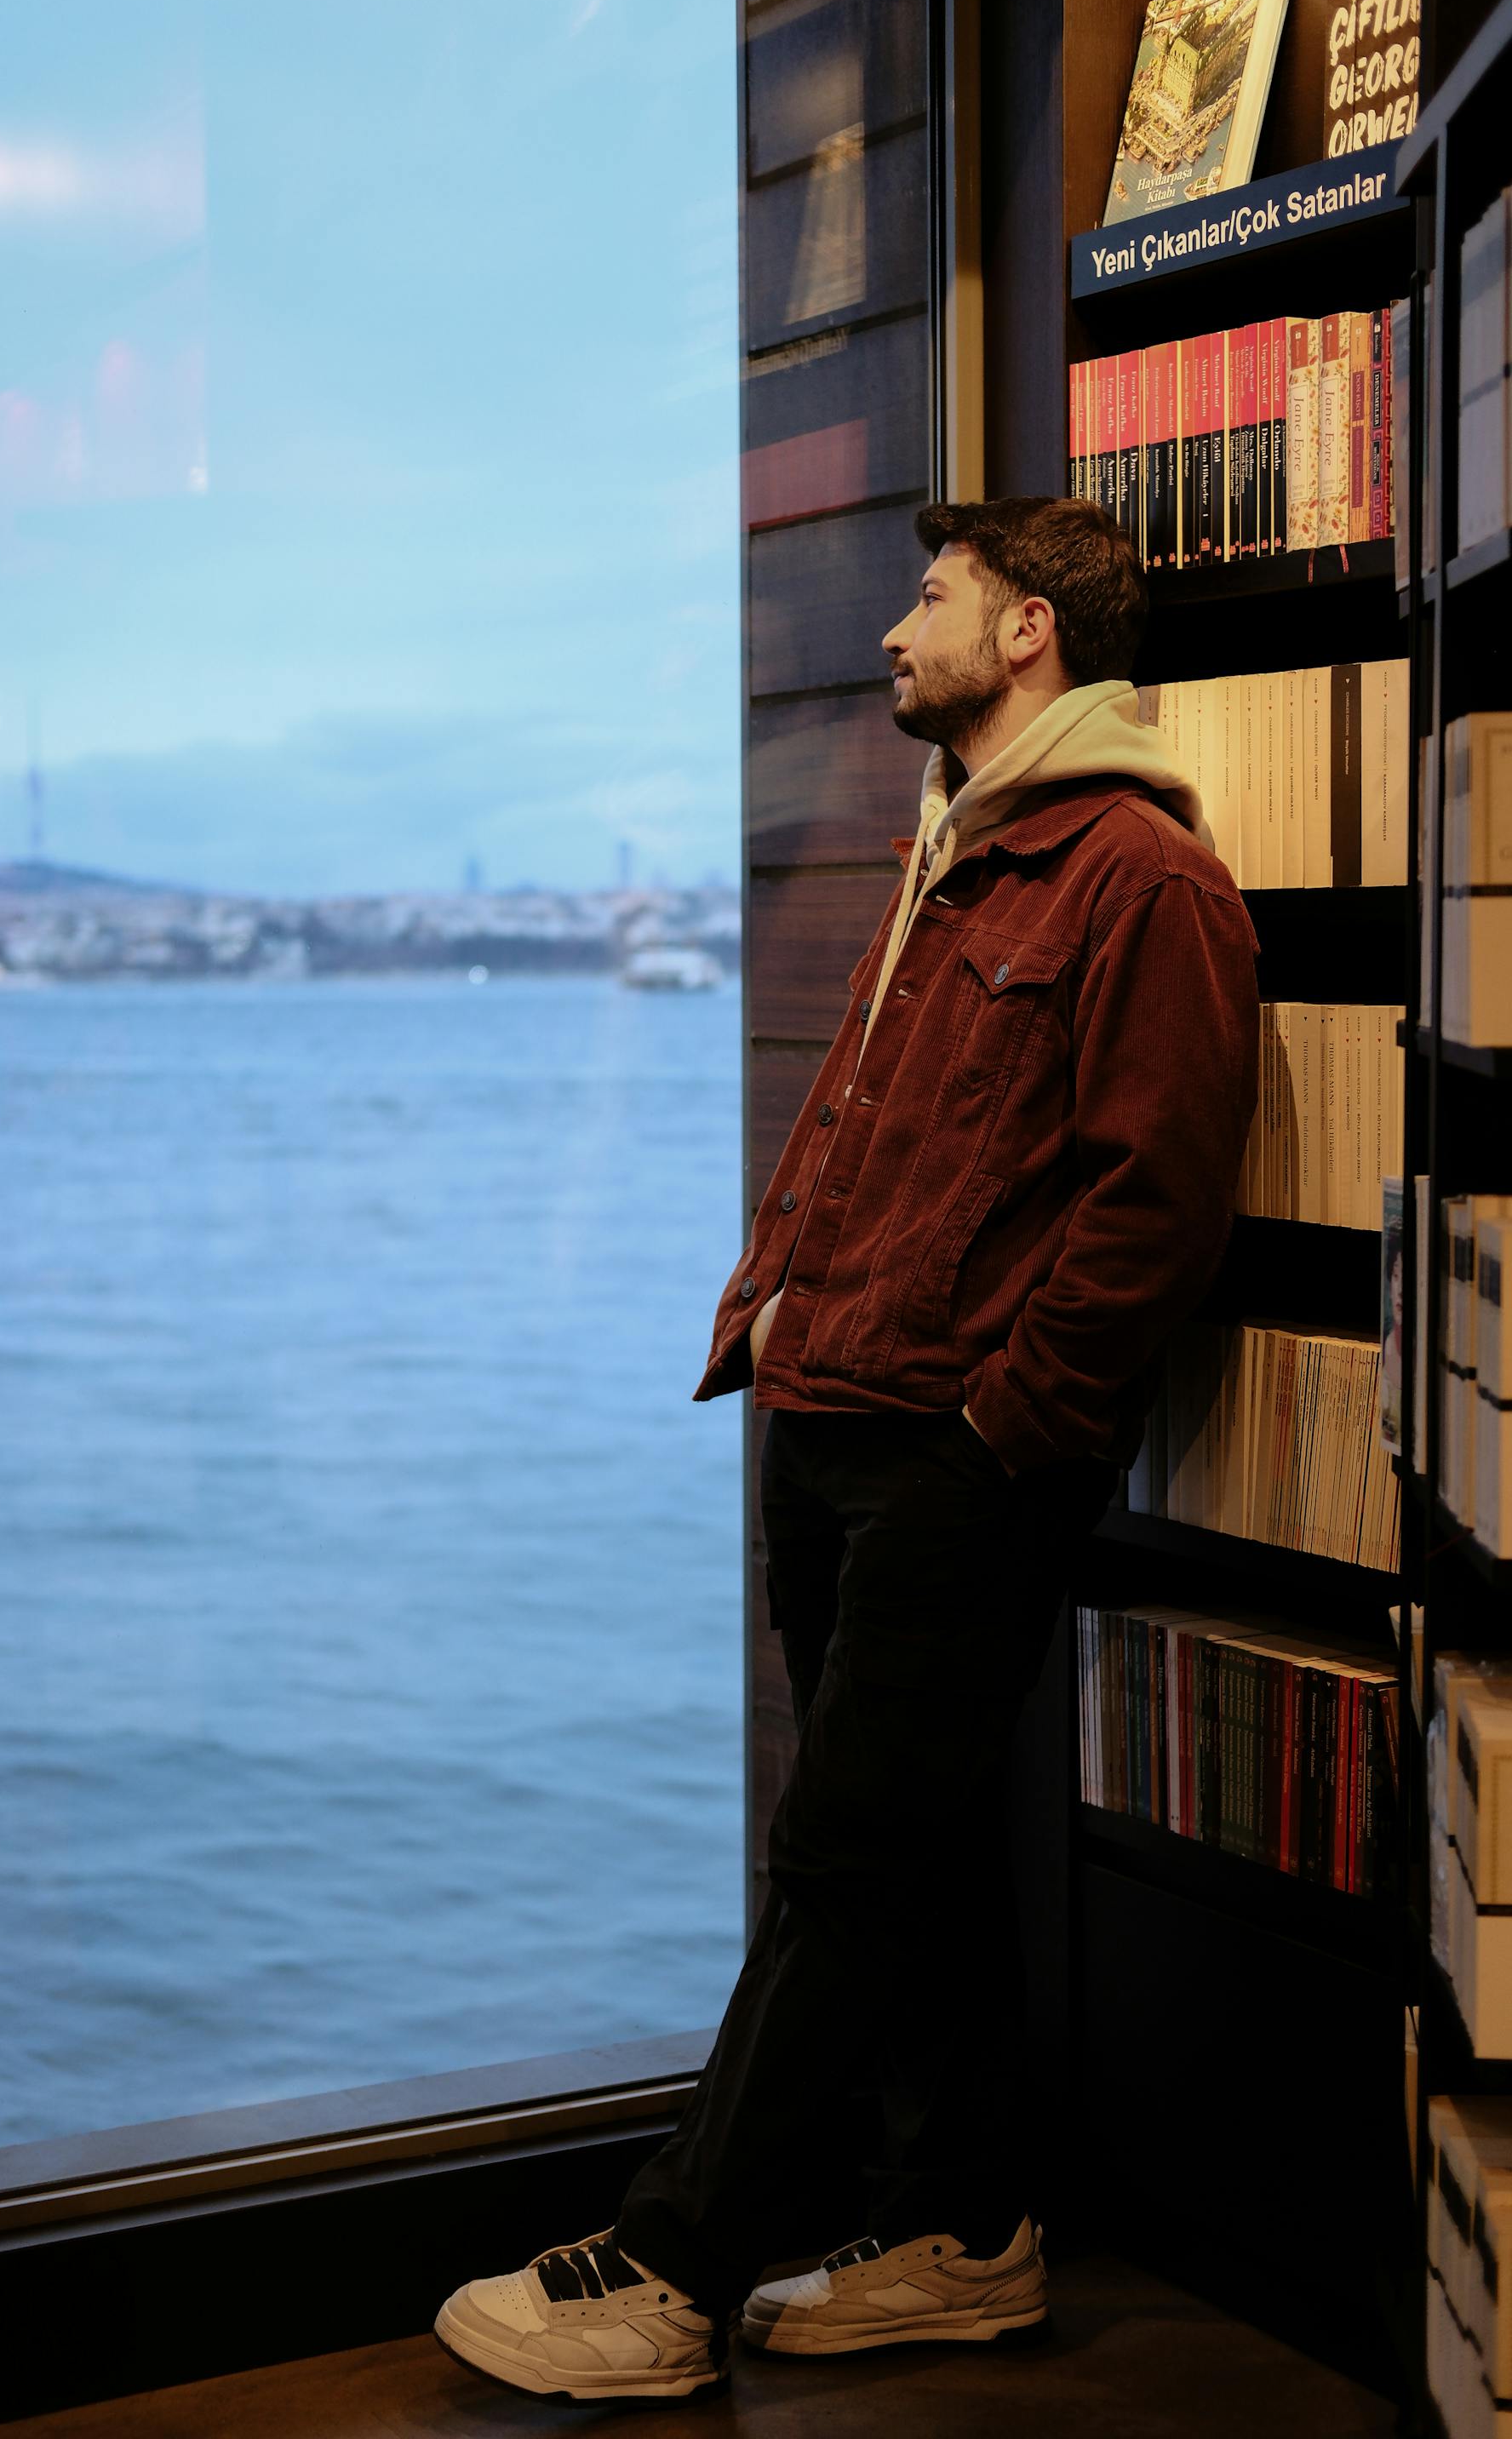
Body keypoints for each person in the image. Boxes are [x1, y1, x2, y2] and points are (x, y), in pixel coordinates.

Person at [434, 495, 1261, 2403]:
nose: (897, 632)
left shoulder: (1140, 881)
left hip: (952, 1455)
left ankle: (664, 2269)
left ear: (1031, 633)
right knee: (919, 1848)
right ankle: (964, 2234)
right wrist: (785, 1335)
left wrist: (1000, 1429)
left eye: (933, 597)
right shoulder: (960, 852)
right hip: (841, 1419)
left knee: (842, 1854)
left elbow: (1157, 1205)